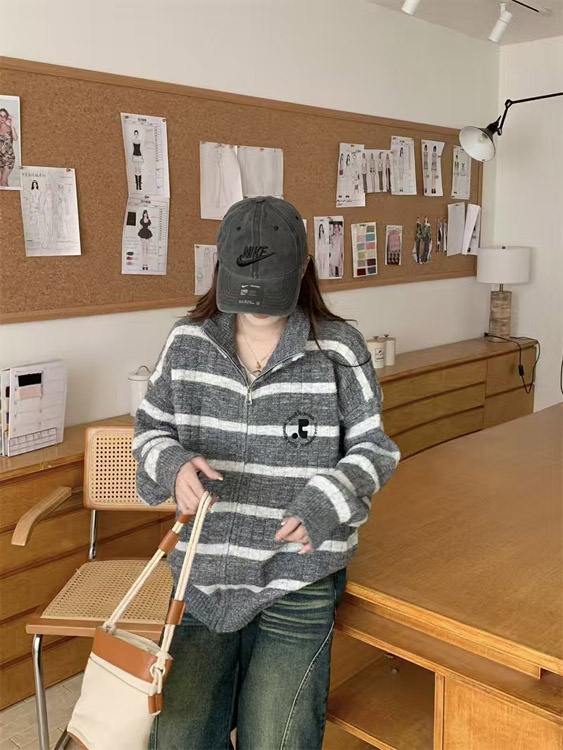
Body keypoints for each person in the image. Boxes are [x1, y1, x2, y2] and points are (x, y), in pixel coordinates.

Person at [133, 196, 400, 750]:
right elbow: (149, 430)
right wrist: (173, 464)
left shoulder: (338, 348)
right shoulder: (187, 342)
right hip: (202, 576)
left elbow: (375, 448)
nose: (257, 306)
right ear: (220, 271)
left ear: (303, 268)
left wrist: (327, 498)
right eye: (244, 289)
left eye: (271, 289)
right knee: (177, 737)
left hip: (295, 575)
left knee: (276, 738)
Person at [0, 107, 18, 188]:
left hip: (9, 159)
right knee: (3, 181)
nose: (2, 118)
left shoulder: (9, 128)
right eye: (0, 116)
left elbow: (15, 138)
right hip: (0, 158)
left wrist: (11, 124)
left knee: (2, 181)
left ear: (6, 117)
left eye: (4, 116)